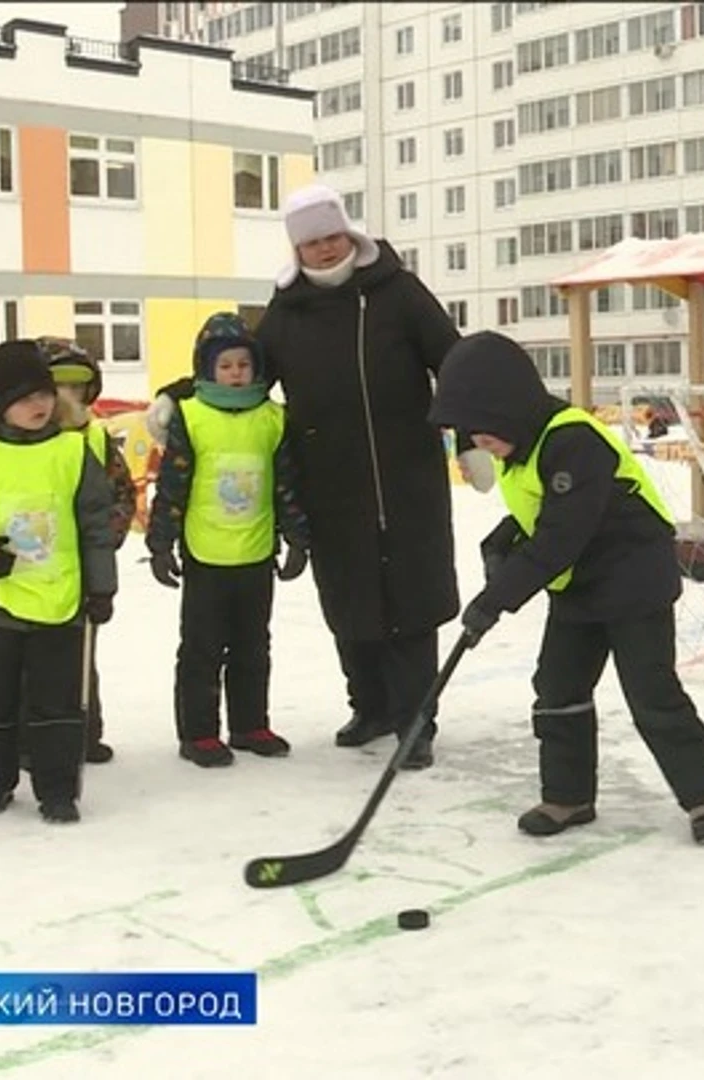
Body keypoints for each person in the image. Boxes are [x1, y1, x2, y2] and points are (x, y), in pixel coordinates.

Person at [428, 330, 704, 844]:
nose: (483, 450)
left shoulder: (574, 441)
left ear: (510, 410)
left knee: (651, 692)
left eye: (485, 438)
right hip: (578, 589)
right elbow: (539, 515)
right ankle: (567, 797)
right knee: (557, 689)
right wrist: (502, 542)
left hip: (634, 581)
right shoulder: (521, 449)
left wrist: (495, 599)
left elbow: (563, 533)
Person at [250, 184, 463, 769]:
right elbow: (242, 375)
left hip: (407, 479)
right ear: (297, 250)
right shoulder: (286, 311)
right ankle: (369, 706)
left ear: (350, 235)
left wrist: (470, 437)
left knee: (413, 605)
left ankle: (416, 721)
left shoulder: (397, 292)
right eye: (312, 243)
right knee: (351, 604)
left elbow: (454, 359)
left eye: (332, 237)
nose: (324, 250)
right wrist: (178, 401)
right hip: (330, 485)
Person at [0, 340, 120, 824]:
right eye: (23, 397)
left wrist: (101, 588)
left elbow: (97, 523)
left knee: (58, 704)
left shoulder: (73, 450)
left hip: (62, 599)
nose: (39, 405)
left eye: (44, 394)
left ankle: (57, 789)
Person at [146, 313, 311, 766]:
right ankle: (198, 732)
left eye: (244, 364)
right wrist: (161, 544)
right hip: (206, 554)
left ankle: (249, 723)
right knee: (201, 649)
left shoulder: (272, 419)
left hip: (256, 553)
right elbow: (173, 487)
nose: (236, 373)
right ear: (206, 370)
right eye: (226, 365)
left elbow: (286, 485)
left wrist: (298, 539)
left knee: (253, 645)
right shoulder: (192, 416)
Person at [38, 335, 136, 764]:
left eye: (79, 387)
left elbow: (122, 494)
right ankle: (34, 733)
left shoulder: (96, 438)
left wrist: (104, 538)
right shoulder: (24, 439)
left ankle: (83, 730)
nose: (69, 397)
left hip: (82, 565)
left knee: (79, 653)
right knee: (33, 656)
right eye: (59, 386)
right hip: (34, 565)